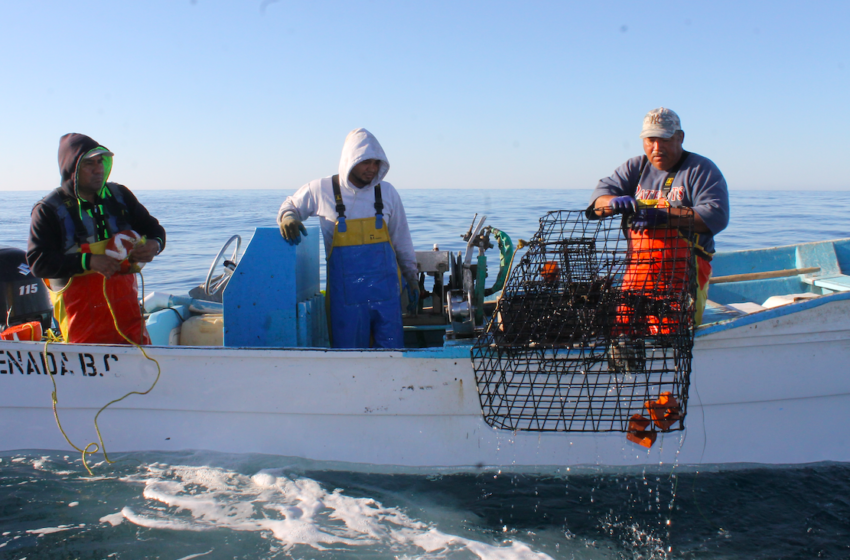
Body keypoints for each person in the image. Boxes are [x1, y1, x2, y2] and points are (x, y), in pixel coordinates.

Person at [588, 108, 730, 329]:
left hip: (684, 275)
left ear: (679, 137)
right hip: (637, 273)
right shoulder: (634, 168)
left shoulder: (700, 169)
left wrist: (664, 216)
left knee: (674, 337)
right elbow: (597, 204)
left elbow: (716, 215)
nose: (656, 147)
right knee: (623, 331)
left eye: (664, 139)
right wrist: (611, 202)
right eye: (650, 140)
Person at [277, 128, 418, 349]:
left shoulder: (388, 193)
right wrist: (288, 217)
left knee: (392, 356)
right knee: (348, 358)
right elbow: (291, 204)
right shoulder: (322, 189)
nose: (372, 169)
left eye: (376, 163)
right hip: (345, 300)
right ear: (350, 160)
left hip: (387, 297)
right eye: (365, 162)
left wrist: (412, 278)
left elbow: (402, 240)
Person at [27, 133, 166, 344]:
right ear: (71, 169)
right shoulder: (48, 210)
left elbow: (154, 229)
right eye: (88, 164)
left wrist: (154, 245)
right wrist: (89, 261)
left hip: (129, 321)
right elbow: (38, 262)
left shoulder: (120, 196)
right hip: (82, 329)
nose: (98, 168)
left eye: (101, 161)